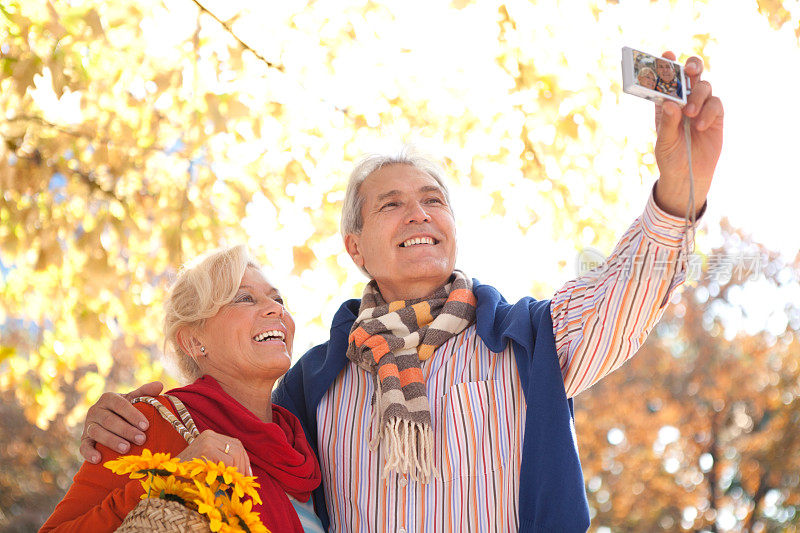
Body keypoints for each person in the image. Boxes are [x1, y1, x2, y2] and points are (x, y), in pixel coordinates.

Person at [76, 52, 723, 532]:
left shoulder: (531, 339)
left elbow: (628, 293)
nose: (418, 214)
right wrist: (130, 415)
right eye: (391, 204)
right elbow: (228, 420)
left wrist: (679, 188)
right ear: (355, 246)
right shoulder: (312, 383)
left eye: (432, 200)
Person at [40, 246, 323, 533]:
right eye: (244, 298)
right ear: (192, 340)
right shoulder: (145, 423)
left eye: (278, 298)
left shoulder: (309, 442)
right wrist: (172, 477)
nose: (276, 308)